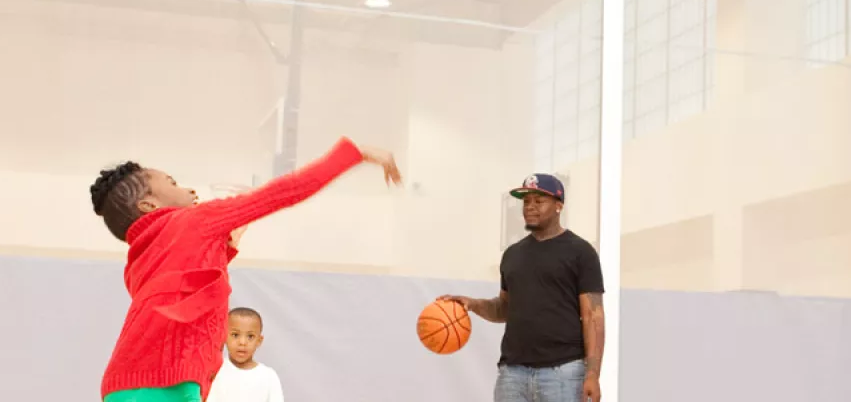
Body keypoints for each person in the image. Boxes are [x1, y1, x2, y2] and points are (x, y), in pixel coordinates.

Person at [89, 138, 401, 402]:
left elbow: (184, 289)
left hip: (121, 384)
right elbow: (284, 192)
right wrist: (355, 154)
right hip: (166, 384)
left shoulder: (138, 260)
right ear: (148, 205)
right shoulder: (196, 220)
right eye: (173, 183)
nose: (189, 190)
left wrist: (223, 247)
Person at [440, 173, 606, 402]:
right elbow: (506, 308)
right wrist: (473, 304)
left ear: (559, 206)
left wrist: (592, 374)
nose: (530, 207)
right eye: (526, 201)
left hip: (563, 374)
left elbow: (593, 315)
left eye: (539, 201)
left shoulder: (581, 252)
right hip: (513, 374)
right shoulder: (513, 254)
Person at [205, 307, 285, 402]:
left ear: (259, 341)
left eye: (250, 336)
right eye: (235, 335)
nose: (242, 342)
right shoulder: (214, 371)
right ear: (224, 336)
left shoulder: (268, 376)